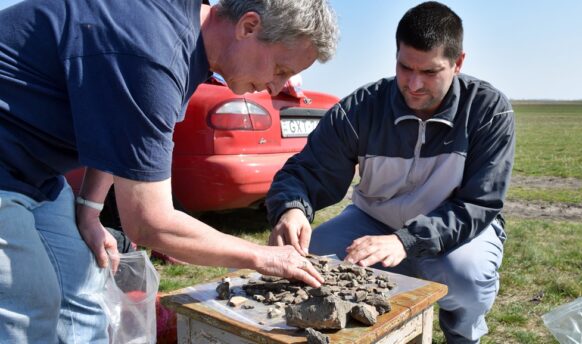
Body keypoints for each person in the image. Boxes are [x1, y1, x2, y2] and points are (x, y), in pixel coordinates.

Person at [0, 0, 338, 342]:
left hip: (37, 174)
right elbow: (148, 221)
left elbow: (119, 127)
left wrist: (90, 211)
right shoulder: (153, 51)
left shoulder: (191, 39)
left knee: (83, 287)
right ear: (248, 26)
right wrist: (260, 256)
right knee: (29, 304)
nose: (278, 87)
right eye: (280, 69)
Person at [266, 2, 515, 343]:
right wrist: (292, 206)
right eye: (404, 67)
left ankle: (462, 334)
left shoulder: (488, 111)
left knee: (466, 278)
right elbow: (308, 169)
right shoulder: (362, 108)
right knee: (309, 262)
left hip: (455, 229)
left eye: (429, 72)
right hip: (373, 221)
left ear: (457, 64)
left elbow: (478, 204)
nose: (413, 84)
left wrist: (405, 240)